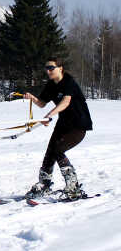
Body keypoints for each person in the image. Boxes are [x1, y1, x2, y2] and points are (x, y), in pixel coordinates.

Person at [23, 57, 93, 200]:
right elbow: (42, 103)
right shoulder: (50, 85)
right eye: (46, 68)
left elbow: (66, 102)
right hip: (63, 123)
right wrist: (32, 98)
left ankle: (73, 187)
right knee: (50, 151)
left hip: (78, 125)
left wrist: (50, 114)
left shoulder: (69, 82)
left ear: (60, 68)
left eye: (51, 68)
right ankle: (44, 185)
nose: (48, 71)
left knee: (58, 150)